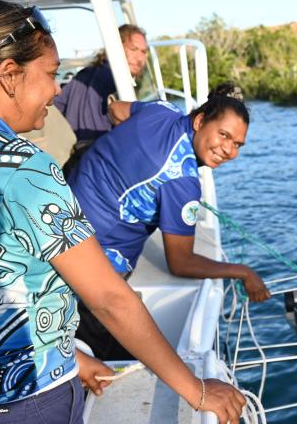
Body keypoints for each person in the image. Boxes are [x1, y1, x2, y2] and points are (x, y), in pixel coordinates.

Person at [0, 0, 244, 423]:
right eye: (51, 74)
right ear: (9, 75)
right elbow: (109, 299)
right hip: (25, 398)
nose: (58, 89)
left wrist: (71, 353)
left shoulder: (158, 114)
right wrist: (198, 390)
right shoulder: (24, 171)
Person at [66, 83, 272, 360]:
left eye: (237, 144)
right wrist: (244, 272)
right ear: (200, 121)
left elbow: (116, 110)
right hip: (93, 264)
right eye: (224, 135)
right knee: (130, 359)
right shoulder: (182, 181)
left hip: (64, 213)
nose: (229, 151)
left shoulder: (162, 110)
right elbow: (180, 263)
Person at [54, 24, 148, 142]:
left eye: (143, 52)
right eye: (133, 49)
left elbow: (56, 107)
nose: (139, 58)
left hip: (72, 150)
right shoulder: (117, 84)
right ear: (116, 48)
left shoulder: (83, 74)